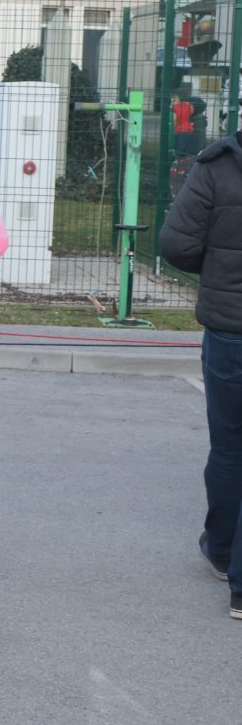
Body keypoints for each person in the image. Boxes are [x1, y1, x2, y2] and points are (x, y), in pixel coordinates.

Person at [159, 129, 242, 621]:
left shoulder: (217, 165)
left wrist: (216, 267)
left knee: (229, 446)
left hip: (229, 329)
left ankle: (223, 551)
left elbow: (176, 243)